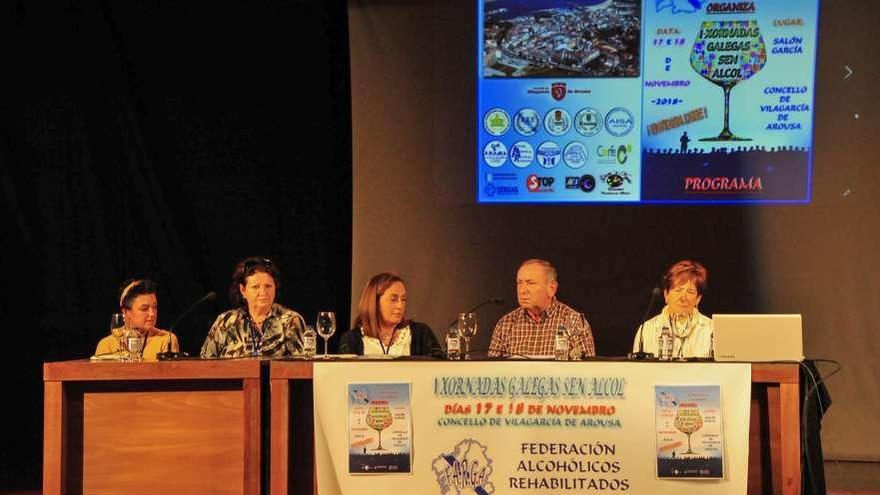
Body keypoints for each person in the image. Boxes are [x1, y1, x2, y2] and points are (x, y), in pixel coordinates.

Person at [200, 257, 304, 358]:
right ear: (243, 290)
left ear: (275, 287)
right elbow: (205, 363)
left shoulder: (290, 320)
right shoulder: (226, 321)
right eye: (256, 287)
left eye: (268, 286)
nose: (263, 292)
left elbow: (300, 368)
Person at [489, 259, 595, 358]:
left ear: (551, 289)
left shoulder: (575, 322)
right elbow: (490, 372)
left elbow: (587, 372)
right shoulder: (505, 325)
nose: (522, 290)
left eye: (531, 283)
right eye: (519, 283)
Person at [338, 272, 440, 357]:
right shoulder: (351, 340)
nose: (400, 305)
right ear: (374, 302)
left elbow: (441, 371)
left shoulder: (421, 333)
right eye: (393, 299)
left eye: (403, 299)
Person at [632, 260, 713, 359]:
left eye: (690, 292)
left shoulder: (711, 329)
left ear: (698, 299)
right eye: (678, 290)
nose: (683, 297)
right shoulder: (647, 329)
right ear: (666, 294)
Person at [95, 279, 179, 360]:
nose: (152, 314)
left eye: (155, 307)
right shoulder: (106, 345)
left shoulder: (166, 340)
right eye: (144, 309)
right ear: (125, 312)